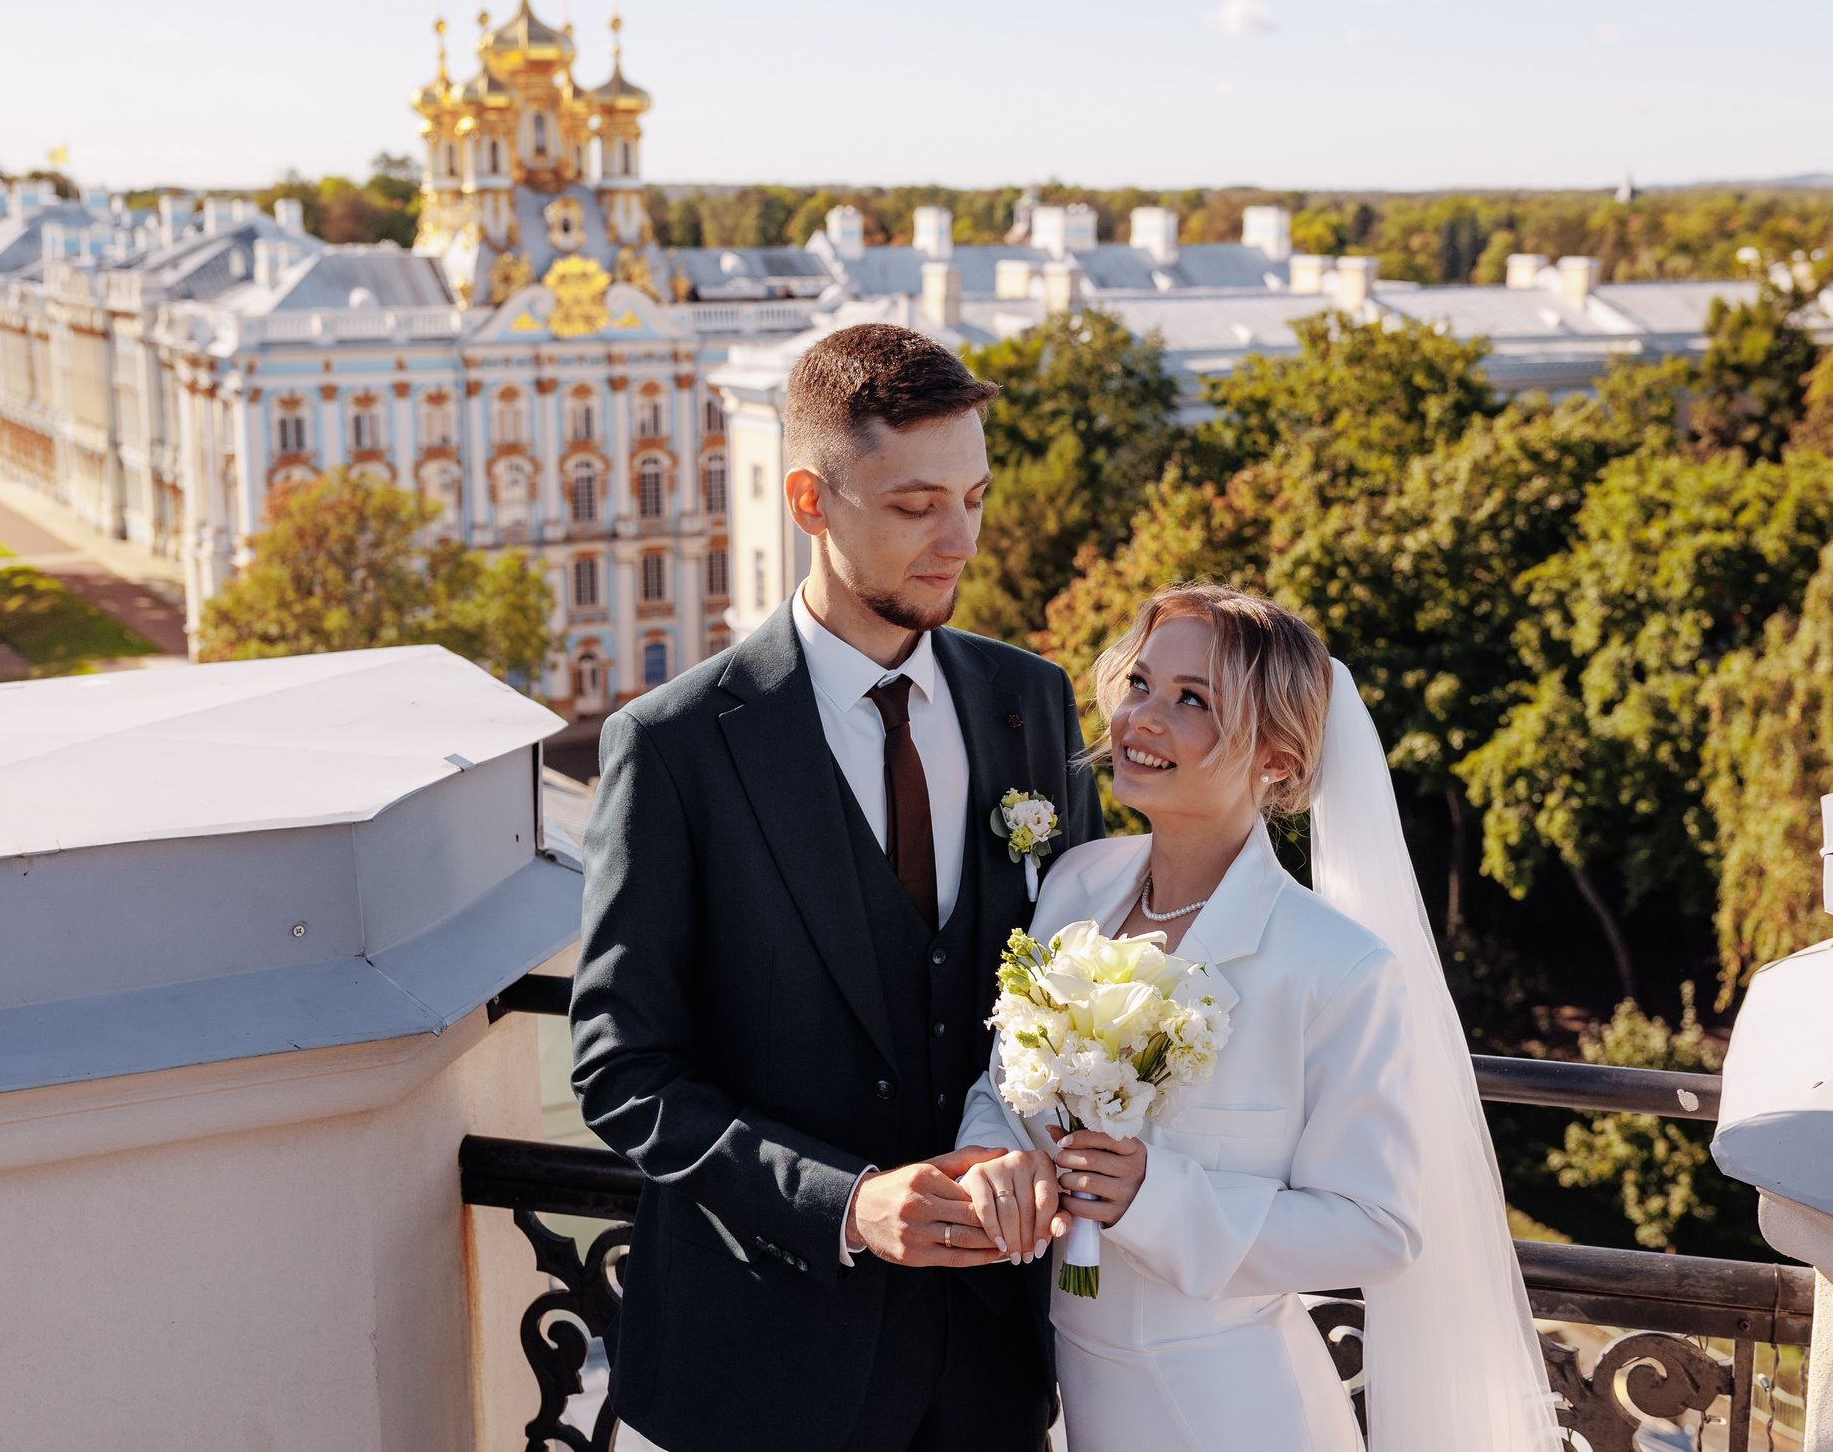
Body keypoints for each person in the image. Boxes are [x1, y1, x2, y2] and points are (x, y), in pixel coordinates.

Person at [572, 323, 1102, 1452]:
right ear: (809, 502)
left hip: (990, 1367)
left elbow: (1074, 988)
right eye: (915, 506)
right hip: (766, 1370)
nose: (959, 539)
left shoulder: (1031, 703)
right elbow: (624, 1071)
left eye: (975, 496)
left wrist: (1029, 1135)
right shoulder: (674, 746)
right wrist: (847, 1206)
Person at [956, 584, 1563, 1452]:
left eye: (1192, 699)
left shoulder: (1338, 968)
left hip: (1231, 1415)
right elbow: (1004, 1078)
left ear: (1276, 760)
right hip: (1068, 1399)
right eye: (1140, 683)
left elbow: (1377, 1228)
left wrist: (1153, 1197)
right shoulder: (1075, 884)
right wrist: (995, 1150)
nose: (1143, 718)